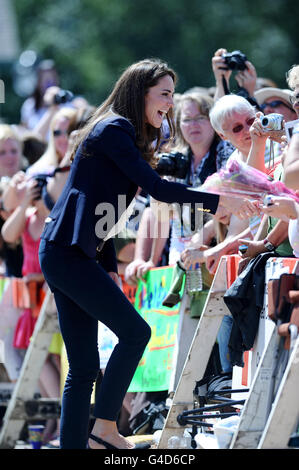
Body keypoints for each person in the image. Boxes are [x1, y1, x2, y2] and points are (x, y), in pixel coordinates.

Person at [37, 58, 258, 450]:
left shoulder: (118, 131)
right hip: (67, 254)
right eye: (165, 94)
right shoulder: (115, 128)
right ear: (140, 93)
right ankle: (104, 428)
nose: (170, 104)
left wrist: (104, 265)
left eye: (172, 95)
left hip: (69, 254)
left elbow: (97, 204)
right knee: (136, 333)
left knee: (85, 366)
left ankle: (78, 444)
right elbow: (157, 189)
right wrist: (219, 200)